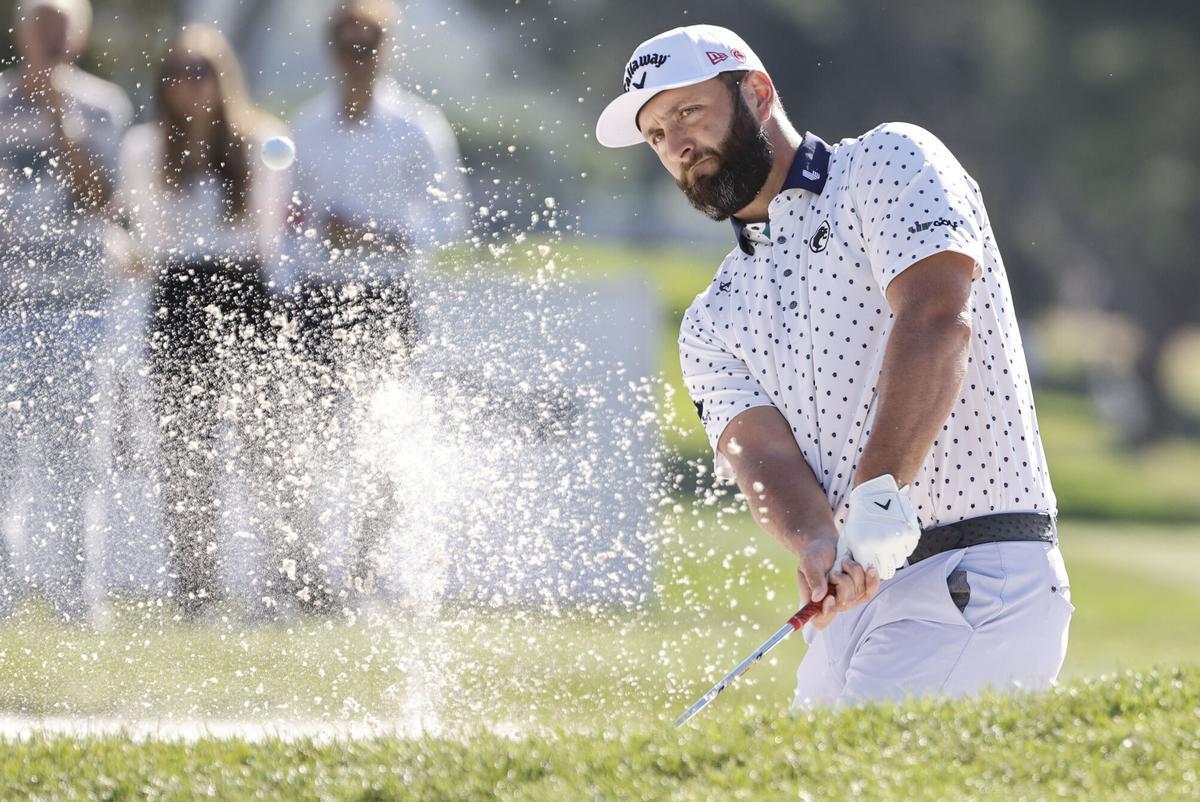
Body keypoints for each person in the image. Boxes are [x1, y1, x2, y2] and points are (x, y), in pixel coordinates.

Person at [597, 25, 1071, 706]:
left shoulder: (889, 162)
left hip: (976, 575)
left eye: (689, 112)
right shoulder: (711, 317)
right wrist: (815, 538)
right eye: (656, 135)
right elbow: (758, 453)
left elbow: (937, 318)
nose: (676, 144)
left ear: (756, 94)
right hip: (853, 606)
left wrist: (879, 495)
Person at [274, 0, 468, 609]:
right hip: (318, 297)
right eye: (348, 47)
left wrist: (382, 233)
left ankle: (365, 574)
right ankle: (305, 581)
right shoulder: (304, 128)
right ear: (332, 52)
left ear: (387, 51)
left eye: (369, 46)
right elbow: (287, 219)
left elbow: (451, 217)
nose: (358, 60)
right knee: (304, 441)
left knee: (382, 444)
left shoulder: (418, 126)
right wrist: (316, 241)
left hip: (387, 298)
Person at [117, 25, 289, 618]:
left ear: (223, 78)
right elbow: (140, 232)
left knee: (267, 448)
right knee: (184, 453)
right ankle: (196, 589)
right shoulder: (144, 147)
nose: (189, 85)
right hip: (177, 293)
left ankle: (282, 582)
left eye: (201, 71)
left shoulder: (262, 139)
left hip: (244, 289)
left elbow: (273, 233)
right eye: (177, 73)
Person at [0, 0, 131, 622]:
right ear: (20, 32)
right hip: (8, 308)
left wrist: (58, 115)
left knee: (77, 463)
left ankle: (79, 599)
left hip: (81, 309)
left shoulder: (104, 104)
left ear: (78, 34)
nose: (47, 36)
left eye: (60, 24)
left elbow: (102, 199)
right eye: (37, 23)